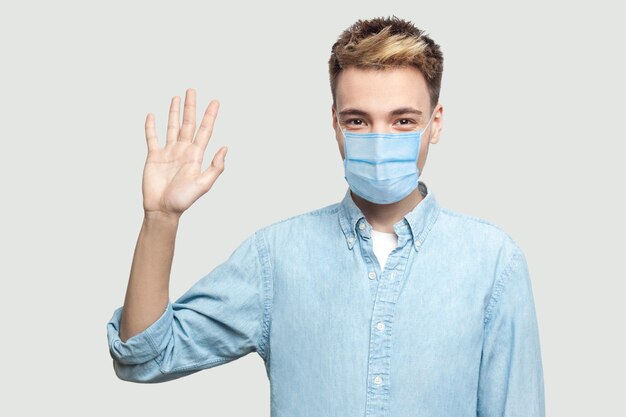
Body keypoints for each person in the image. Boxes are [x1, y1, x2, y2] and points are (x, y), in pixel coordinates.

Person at [107, 16, 545, 416]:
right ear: (334, 123)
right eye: (358, 121)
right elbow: (144, 356)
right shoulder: (276, 257)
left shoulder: (492, 262)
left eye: (403, 120)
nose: (379, 139)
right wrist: (160, 218)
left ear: (436, 122)